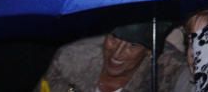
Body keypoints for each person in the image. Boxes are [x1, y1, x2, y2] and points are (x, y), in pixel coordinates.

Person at [39, 23, 185, 92]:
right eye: (114, 39)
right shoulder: (70, 59)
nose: (117, 53)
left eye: (133, 45)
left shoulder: (170, 74)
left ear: (149, 51)